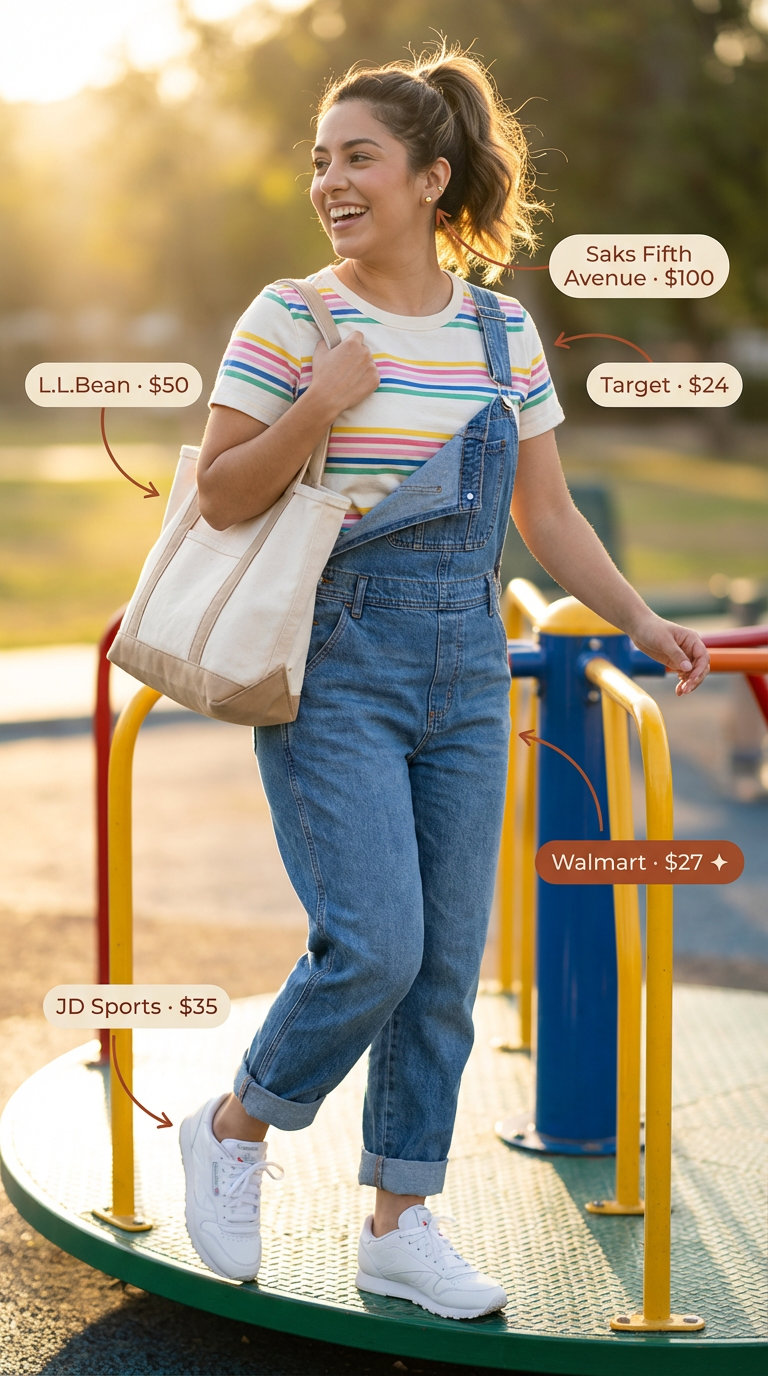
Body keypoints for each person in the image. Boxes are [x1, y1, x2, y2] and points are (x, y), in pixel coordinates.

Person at [179, 43, 709, 1321]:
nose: (331, 181)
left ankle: (399, 1223)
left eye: (358, 157)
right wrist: (319, 404)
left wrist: (644, 618)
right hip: (334, 665)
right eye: (321, 160)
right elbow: (221, 492)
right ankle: (236, 1123)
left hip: (468, 671)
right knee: (375, 944)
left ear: (430, 176)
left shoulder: (500, 329)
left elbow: (547, 515)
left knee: (442, 971)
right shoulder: (292, 316)